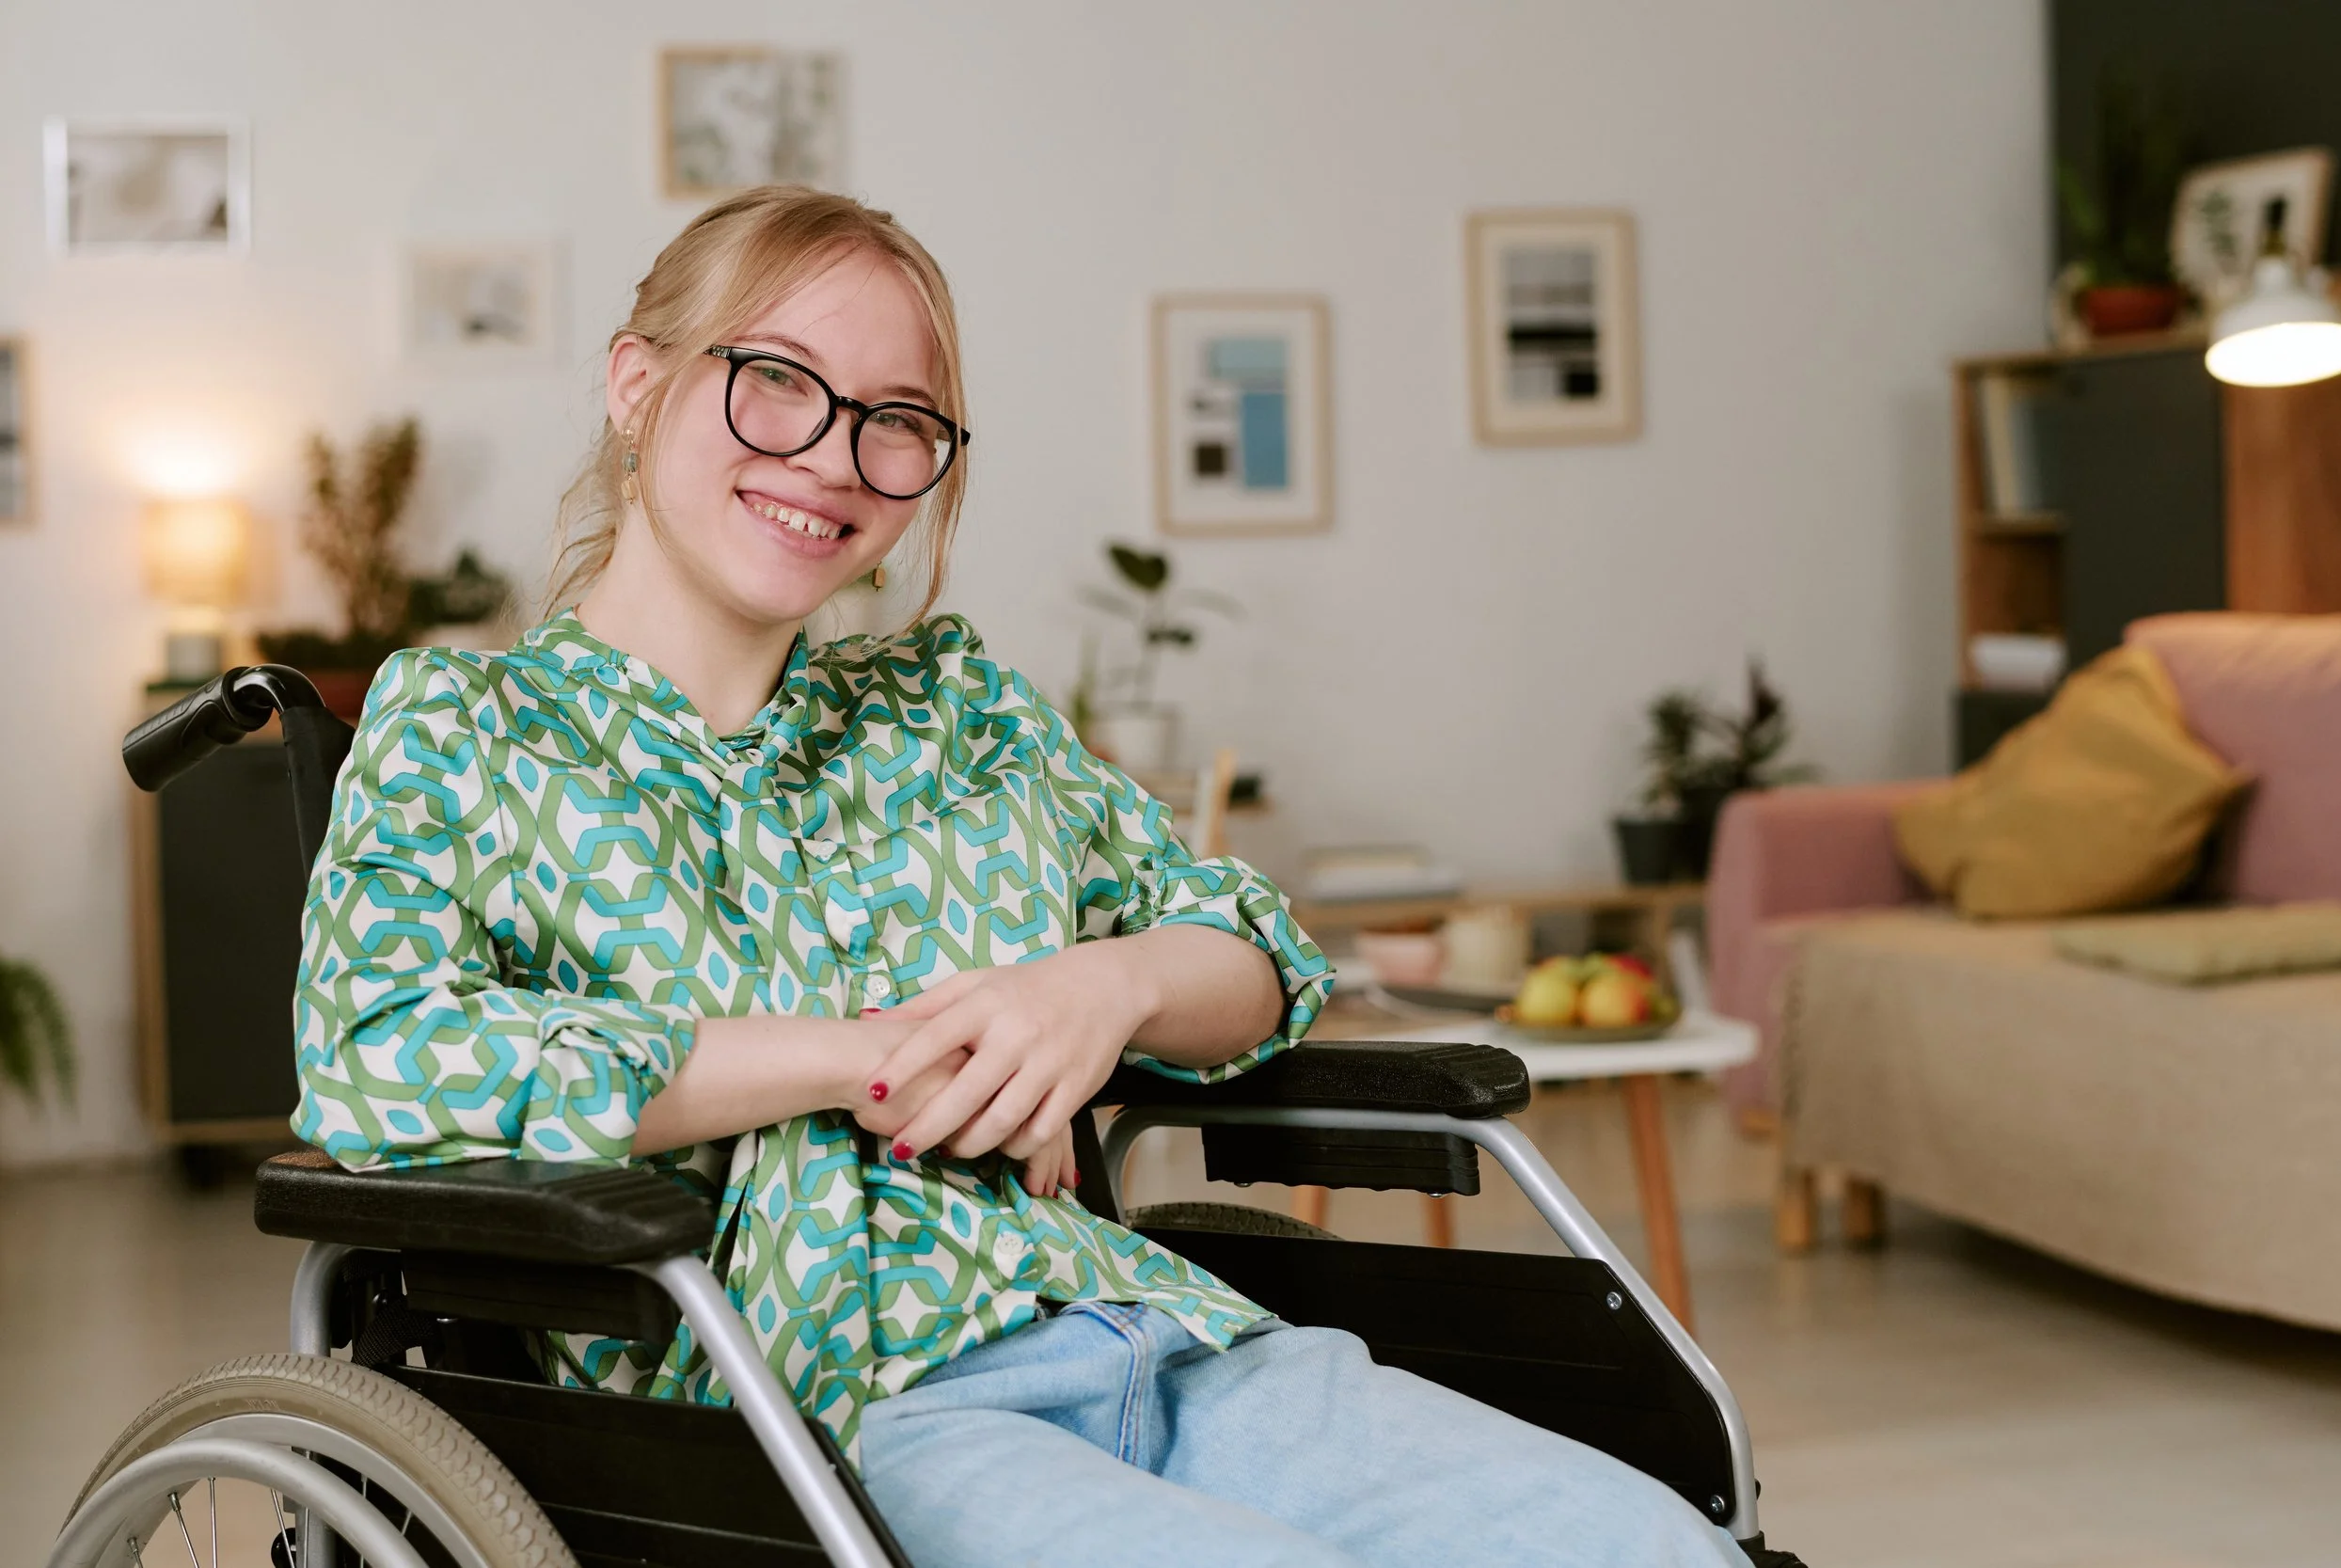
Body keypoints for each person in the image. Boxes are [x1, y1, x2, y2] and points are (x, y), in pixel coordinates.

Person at [292, 184, 1744, 1568]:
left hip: (1161, 1336)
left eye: (898, 421)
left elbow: (1255, 950)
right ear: (635, 384)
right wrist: (858, 1059)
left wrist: (1096, 990)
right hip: (835, 1412)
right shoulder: (465, 729)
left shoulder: (955, 710)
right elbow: (378, 1057)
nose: (835, 458)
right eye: (779, 381)